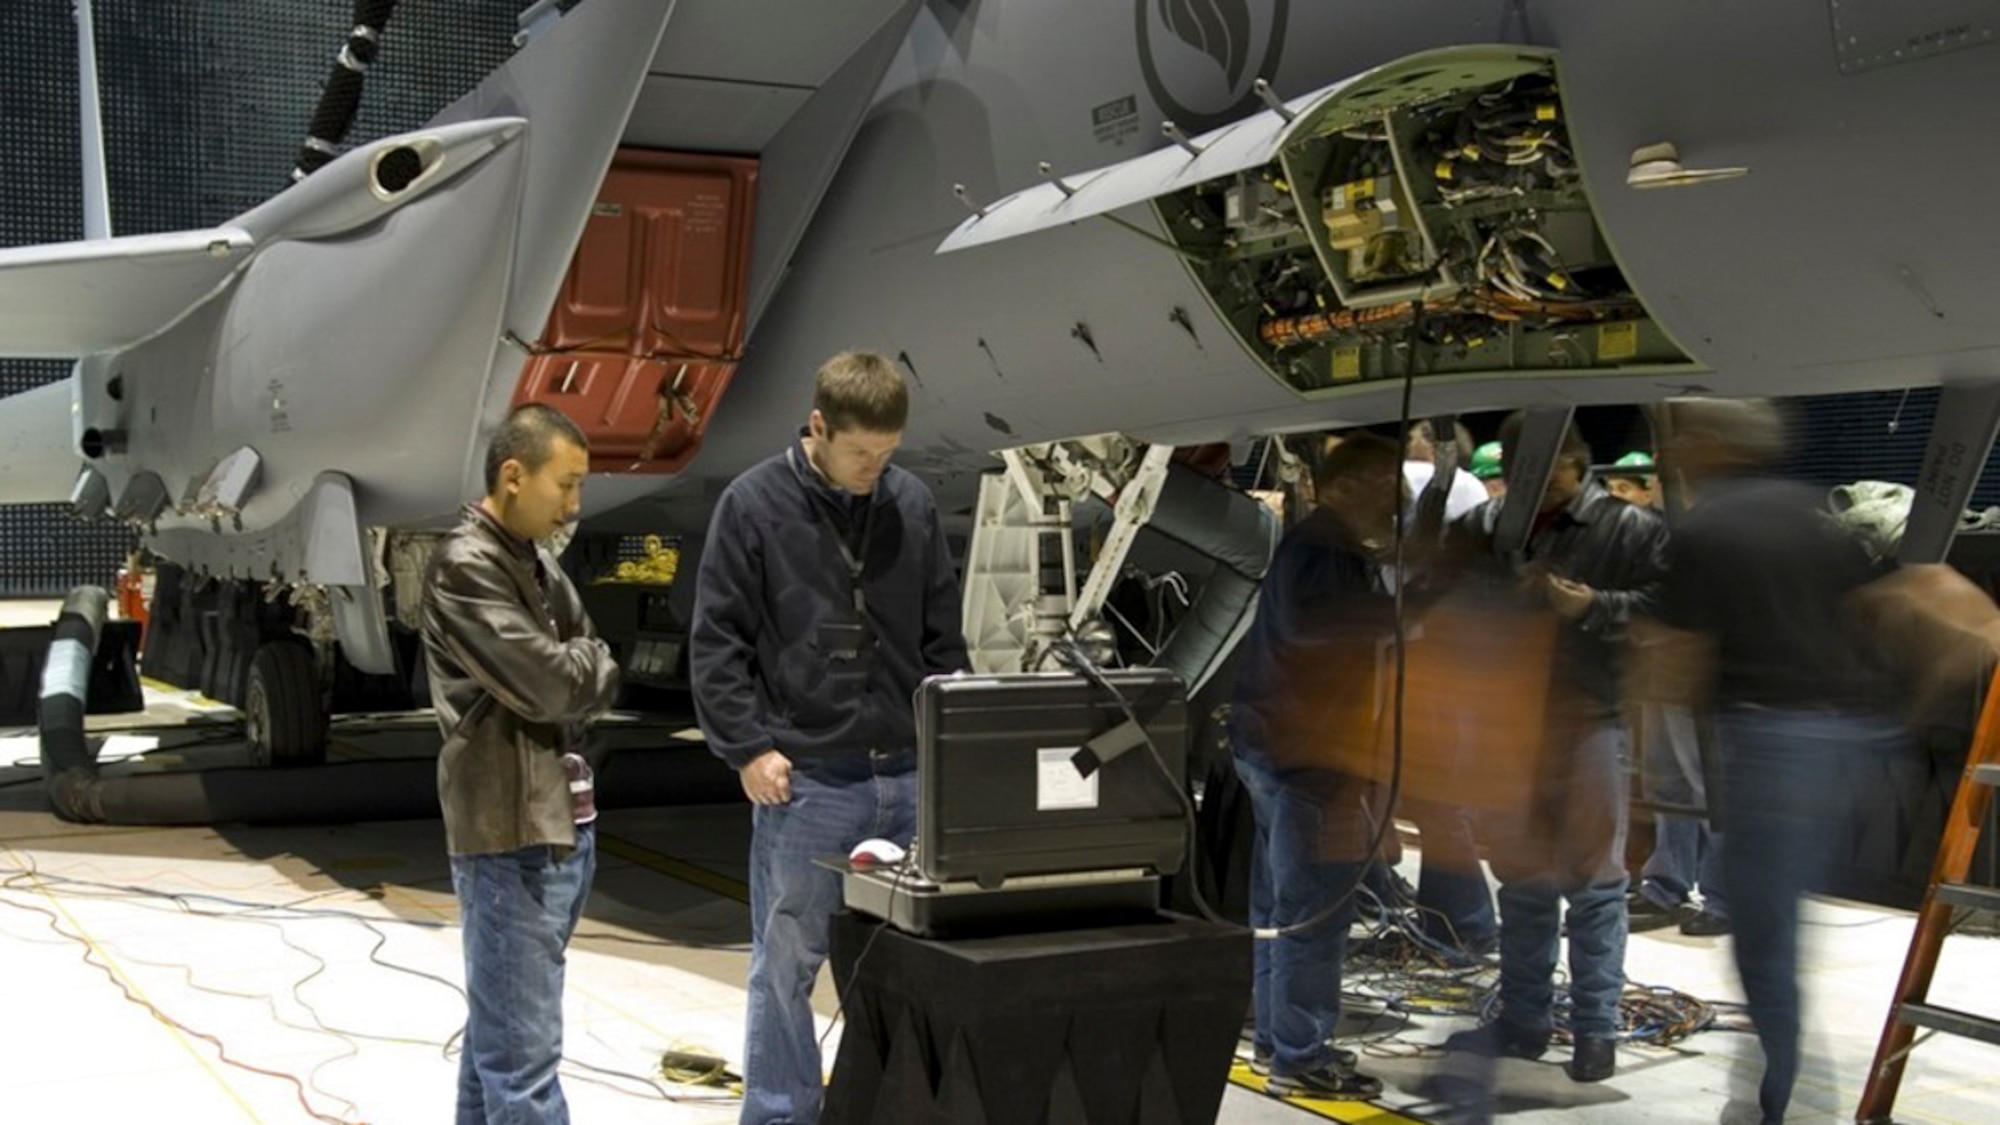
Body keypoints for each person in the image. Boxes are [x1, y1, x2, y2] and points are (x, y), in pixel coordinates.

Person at [690, 350, 969, 1125]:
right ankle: (781, 1114)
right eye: (860, 453)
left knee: (912, 965)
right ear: (818, 427)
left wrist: (953, 748)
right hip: (809, 781)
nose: (875, 468)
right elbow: (717, 642)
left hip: (910, 776)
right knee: (786, 962)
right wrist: (747, 746)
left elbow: (943, 640)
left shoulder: (909, 503)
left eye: (887, 454)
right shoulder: (753, 504)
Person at [1650, 398, 1902, 1124]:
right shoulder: (1813, 515)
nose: (1671, 455)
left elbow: (1673, 658)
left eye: (1679, 441)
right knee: (1774, 921)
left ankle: (1781, 1106)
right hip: (1850, 736)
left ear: (1707, 444)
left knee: (1763, 937)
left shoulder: (1705, 527)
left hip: (1771, 740)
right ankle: (1781, 1091)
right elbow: (1875, 611)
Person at [1444, 415, 1666, 1084]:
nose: (1539, 489)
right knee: (1523, 883)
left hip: (1588, 720)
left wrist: (1593, 605)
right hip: (1510, 726)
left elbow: (1667, 608)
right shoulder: (1487, 527)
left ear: (1578, 461)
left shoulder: (1629, 528)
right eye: (1524, 475)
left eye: (1552, 473)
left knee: (1596, 885)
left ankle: (1595, 1033)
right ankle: (1523, 1020)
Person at [421, 402, 621, 1125]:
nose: (573, 505)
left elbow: (599, 657)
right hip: (511, 838)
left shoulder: (532, 562)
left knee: (497, 1047)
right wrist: (576, 665)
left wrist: (576, 664)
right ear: (513, 474)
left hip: (558, 828)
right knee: (523, 1067)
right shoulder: (465, 563)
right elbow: (554, 681)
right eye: (564, 485)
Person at [1228, 431, 1401, 1101]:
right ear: (1346, 486)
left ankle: (1277, 1037)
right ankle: (1300, 1054)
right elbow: (1322, 634)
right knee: (1313, 913)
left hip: (1276, 750)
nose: (1400, 500)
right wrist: (1405, 615)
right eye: (1388, 484)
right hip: (1310, 760)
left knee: (1277, 908)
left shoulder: (1317, 545)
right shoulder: (1327, 549)